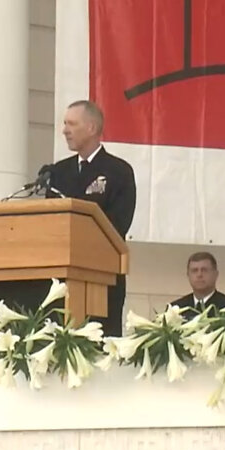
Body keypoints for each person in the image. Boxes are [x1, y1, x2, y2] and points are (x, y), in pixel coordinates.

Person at [46, 100, 137, 335]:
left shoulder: (118, 171)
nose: (64, 130)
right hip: (62, 280)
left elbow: (118, 225)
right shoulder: (57, 173)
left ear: (92, 128)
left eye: (71, 124)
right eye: (64, 124)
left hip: (102, 278)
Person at [169, 251, 225, 319]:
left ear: (215, 274)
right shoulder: (175, 309)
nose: (199, 275)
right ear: (188, 275)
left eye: (204, 270)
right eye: (194, 270)